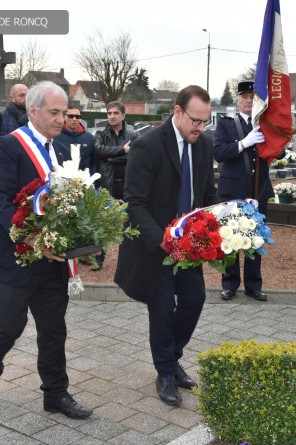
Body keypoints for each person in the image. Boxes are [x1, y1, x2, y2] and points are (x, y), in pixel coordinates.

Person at [0, 81, 92, 420]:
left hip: (51, 262)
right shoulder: (8, 148)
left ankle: (55, 393)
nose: (61, 119)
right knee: (8, 327)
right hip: (15, 257)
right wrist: (32, 237)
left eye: (64, 112)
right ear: (33, 110)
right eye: (54, 112)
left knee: (54, 329)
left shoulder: (63, 149)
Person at [114, 85, 219, 406]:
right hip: (155, 247)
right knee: (161, 310)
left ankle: (171, 358)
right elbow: (135, 204)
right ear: (177, 112)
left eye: (206, 121)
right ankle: (165, 373)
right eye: (196, 121)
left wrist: (218, 225)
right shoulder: (148, 146)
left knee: (195, 299)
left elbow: (207, 195)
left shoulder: (203, 146)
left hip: (189, 246)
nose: (200, 128)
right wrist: (163, 241)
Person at [213, 80, 272, 302]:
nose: (248, 101)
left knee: (255, 239)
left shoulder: (265, 124)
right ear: (237, 101)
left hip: (259, 190)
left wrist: (273, 142)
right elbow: (219, 152)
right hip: (232, 191)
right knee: (230, 238)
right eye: (244, 97)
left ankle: (253, 285)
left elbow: (280, 154)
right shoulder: (226, 125)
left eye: (252, 98)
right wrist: (243, 143)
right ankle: (229, 284)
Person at [93, 101, 140, 269]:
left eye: (115, 113)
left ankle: (130, 260)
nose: (112, 116)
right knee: (103, 222)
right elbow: (98, 151)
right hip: (108, 183)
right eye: (109, 113)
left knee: (131, 222)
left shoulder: (133, 135)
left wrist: (111, 158)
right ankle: (99, 257)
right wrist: (123, 150)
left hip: (128, 184)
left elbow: (135, 156)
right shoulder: (101, 134)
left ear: (123, 115)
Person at [54, 106, 95, 173]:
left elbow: (93, 161)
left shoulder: (89, 137)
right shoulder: (56, 137)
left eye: (77, 116)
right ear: (65, 117)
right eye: (71, 116)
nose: (74, 119)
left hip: (84, 179)